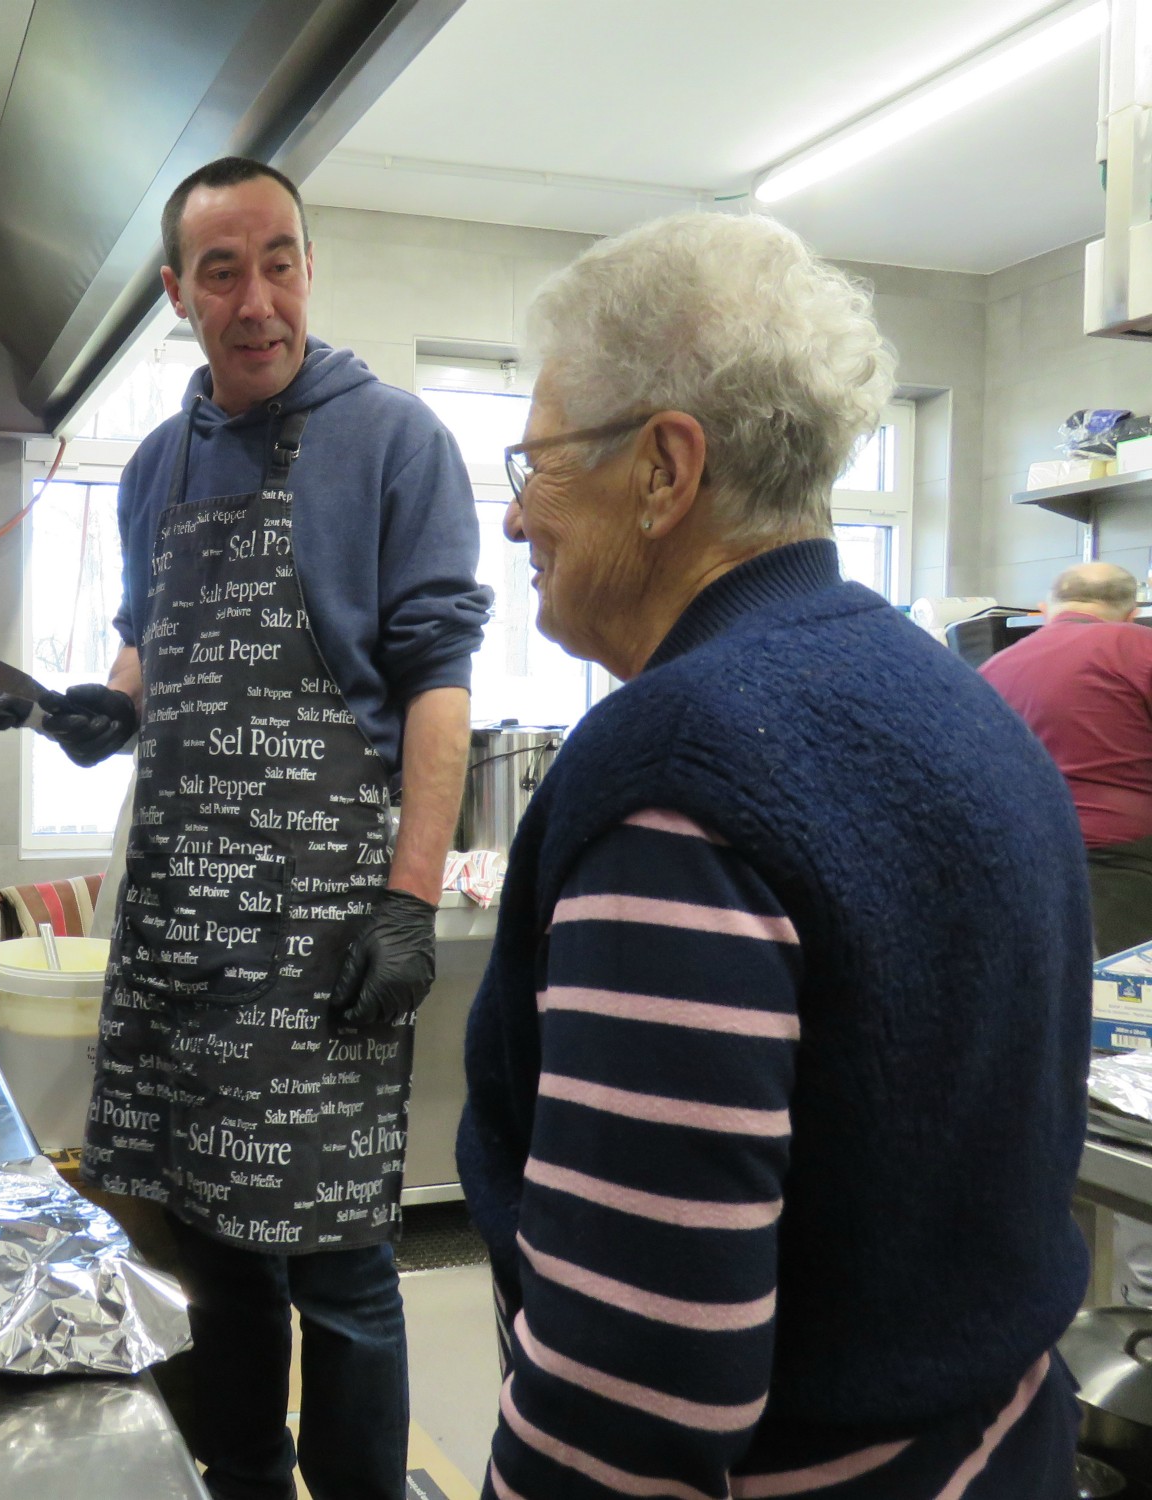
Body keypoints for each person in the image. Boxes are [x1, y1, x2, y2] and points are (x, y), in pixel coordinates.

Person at [458, 213, 1090, 1499]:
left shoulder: (676, 772)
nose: (516, 518)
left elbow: (632, 1394)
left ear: (662, 469)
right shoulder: (964, 707)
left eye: (534, 465)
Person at [0, 155, 490, 1500]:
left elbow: (439, 681)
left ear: (308, 266)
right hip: (183, 927)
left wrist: (409, 900)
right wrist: (106, 708)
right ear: (176, 293)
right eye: (222, 269)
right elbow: (154, 649)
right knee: (217, 1251)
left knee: (342, 1268)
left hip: (321, 933)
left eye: (281, 261)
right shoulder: (156, 466)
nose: (258, 299)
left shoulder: (397, 441)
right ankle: (245, 1478)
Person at [979, 561, 1152, 956]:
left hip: (1022, 857)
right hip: (1122, 863)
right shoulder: (1139, 647)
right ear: (1134, 613)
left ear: (1044, 609)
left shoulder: (993, 666)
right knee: (1119, 1001)